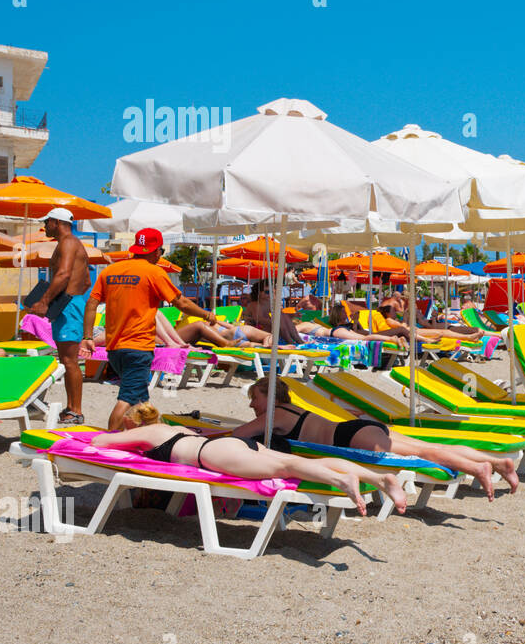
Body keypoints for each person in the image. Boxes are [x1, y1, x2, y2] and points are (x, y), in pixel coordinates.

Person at [93, 403, 407, 517]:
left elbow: (101, 440)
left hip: (214, 455)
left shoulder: (150, 433)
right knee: (289, 460)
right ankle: (380, 479)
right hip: (232, 447)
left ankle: (342, 480)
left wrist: (123, 440)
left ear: (134, 425)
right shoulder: (174, 427)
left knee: (287, 466)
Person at [232, 380, 516, 500]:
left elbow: (236, 437)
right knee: (431, 447)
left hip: (351, 436)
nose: (252, 405)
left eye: (254, 399)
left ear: (269, 396)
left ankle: (478, 470)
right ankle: (496, 462)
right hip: (360, 428)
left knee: (426, 453)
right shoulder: (291, 408)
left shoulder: (274, 416)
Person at [82, 228, 219, 430]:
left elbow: (91, 304)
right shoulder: (154, 272)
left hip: (114, 349)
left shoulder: (110, 271)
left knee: (141, 400)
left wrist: (88, 336)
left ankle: (151, 435)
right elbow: (181, 304)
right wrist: (207, 315)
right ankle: (109, 441)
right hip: (137, 347)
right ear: (156, 251)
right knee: (127, 398)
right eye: (161, 252)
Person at [28, 209, 92, 424]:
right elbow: (86, 282)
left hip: (68, 306)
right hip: (69, 304)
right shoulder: (71, 243)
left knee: (69, 360)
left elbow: (64, 274)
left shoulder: (67, 242)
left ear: (56, 222)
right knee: (67, 359)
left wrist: (45, 302)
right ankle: (72, 408)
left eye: (47, 222)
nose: (45, 226)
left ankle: (76, 411)